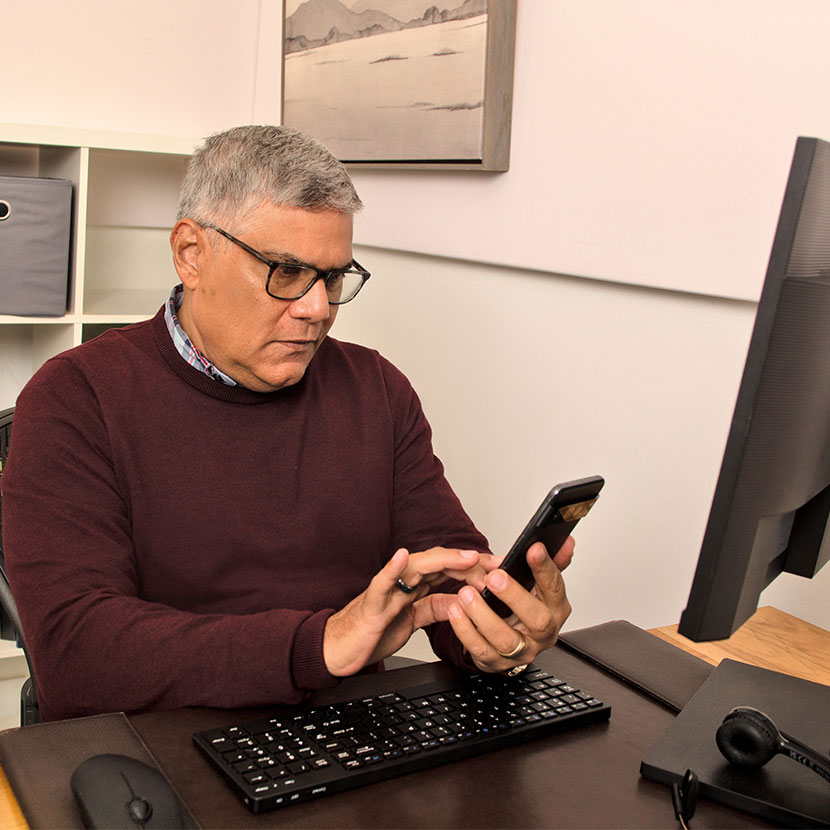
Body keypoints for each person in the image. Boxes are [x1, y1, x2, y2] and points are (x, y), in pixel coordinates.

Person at [1, 125, 574, 722]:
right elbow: (77, 656)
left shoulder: (375, 388)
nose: (317, 309)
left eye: (331, 277)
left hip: (345, 737)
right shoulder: (74, 398)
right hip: (159, 751)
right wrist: (318, 646)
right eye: (286, 272)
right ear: (191, 253)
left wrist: (495, 630)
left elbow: (447, 571)